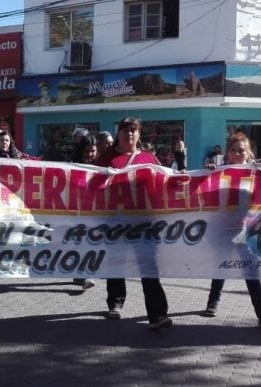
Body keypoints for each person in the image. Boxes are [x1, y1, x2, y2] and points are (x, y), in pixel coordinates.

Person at [93, 117, 172, 330]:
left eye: (134, 130)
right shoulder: (107, 159)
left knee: (148, 267)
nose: (130, 133)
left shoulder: (148, 157)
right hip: (115, 221)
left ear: (139, 135)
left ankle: (157, 315)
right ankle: (115, 303)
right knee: (116, 263)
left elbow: (164, 183)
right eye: (126, 130)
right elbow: (89, 181)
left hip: (144, 222)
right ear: (118, 134)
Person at [202, 135, 261, 333]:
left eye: (241, 150)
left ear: (249, 153)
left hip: (248, 230)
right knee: (221, 266)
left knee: (251, 273)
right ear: (227, 152)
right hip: (222, 228)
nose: (237, 154)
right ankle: (213, 302)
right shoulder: (218, 171)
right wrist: (206, 172)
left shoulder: (256, 172)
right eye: (233, 150)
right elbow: (202, 192)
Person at [70, 136, 98, 290]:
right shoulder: (73, 166)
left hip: (94, 212)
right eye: (87, 151)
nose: (89, 154)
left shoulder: (101, 167)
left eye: (93, 151)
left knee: (89, 243)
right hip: (77, 212)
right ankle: (82, 274)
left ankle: (85, 274)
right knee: (80, 243)